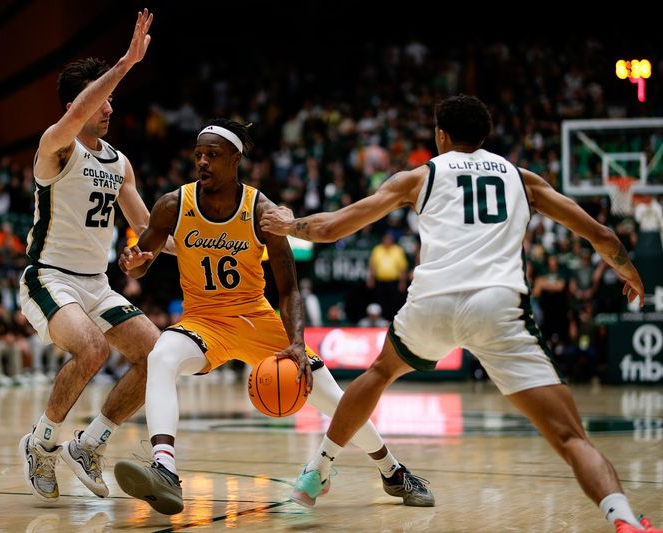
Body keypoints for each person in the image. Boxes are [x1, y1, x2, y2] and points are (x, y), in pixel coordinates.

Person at [260, 95, 658, 533]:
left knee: (377, 374)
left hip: (432, 302)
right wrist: (632, 273)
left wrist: (287, 224)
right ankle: (623, 518)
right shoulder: (522, 179)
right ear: (485, 135)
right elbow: (600, 234)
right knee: (570, 437)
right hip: (497, 305)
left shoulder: (420, 176)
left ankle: (316, 474)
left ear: (441, 135)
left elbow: (331, 228)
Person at [113, 118, 434, 515]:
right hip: (203, 321)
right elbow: (142, 261)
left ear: (236, 160)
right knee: (161, 355)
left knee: (334, 397)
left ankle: (393, 472)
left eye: (212, 155)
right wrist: (134, 263)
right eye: (198, 155)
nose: (203, 162)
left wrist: (296, 341)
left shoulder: (262, 211)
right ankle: (164, 468)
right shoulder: (173, 205)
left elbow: (289, 289)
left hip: (255, 318)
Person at [18, 9, 169, 503]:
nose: (110, 108)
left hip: (96, 284)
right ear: (78, 105)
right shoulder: (54, 147)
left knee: (158, 356)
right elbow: (74, 117)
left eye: (111, 99)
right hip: (49, 278)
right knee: (93, 350)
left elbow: (145, 228)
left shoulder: (118, 161)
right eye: (103, 99)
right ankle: (41, 444)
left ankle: (89, 444)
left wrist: (155, 253)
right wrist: (127, 60)